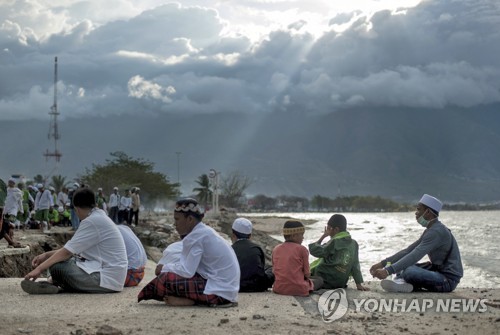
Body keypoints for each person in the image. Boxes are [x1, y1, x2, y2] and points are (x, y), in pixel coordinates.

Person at [21, 187, 128, 294]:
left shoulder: (91, 221)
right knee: (58, 260)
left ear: (77, 209)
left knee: (56, 266)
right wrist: (46, 255)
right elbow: (72, 251)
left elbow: (67, 252)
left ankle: (56, 283)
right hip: (110, 277)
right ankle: (53, 283)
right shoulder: (98, 217)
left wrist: (39, 269)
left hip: (105, 279)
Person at [138, 198, 240, 307]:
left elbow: (187, 271)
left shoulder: (195, 237)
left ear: (190, 219)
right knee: (172, 274)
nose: (174, 224)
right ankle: (193, 300)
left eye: (177, 219)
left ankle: (194, 300)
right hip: (229, 291)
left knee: (166, 278)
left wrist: (163, 268)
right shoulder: (204, 232)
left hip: (219, 292)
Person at [370, 194, 463, 293]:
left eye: (419, 210)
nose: (416, 213)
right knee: (404, 267)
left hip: (447, 280)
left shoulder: (436, 232)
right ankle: (403, 283)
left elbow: (415, 255)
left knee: (409, 271)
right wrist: (382, 264)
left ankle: (403, 282)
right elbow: (408, 251)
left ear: (428, 212)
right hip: (436, 271)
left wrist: (387, 271)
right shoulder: (431, 230)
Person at [308, 214, 369, 291]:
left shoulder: (334, 242)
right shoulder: (354, 244)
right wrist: (358, 284)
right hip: (340, 283)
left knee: (304, 274)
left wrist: (323, 236)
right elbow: (355, 265)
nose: (328, 232)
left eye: (329, 229)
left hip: (325, 281)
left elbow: (315, 251)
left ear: (336, 229)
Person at [272, 220, 323, 296]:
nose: (303, 237)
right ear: (293, 236)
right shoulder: (302, 249)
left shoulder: (276, 249)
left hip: (279, 288)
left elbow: (274, 271)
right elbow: (307, 274)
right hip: (299, 289)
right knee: (319, 280)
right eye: (301, 235)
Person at [231, 218, 274, 292]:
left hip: (236, 285)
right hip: (256, 286)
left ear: (233, 235)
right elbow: (261, 268)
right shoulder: (256, 248)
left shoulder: (230, 249)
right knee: (272, 269)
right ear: (250, 235)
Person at [0, 178, 23, 248]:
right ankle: (11, 242)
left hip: (13, 210)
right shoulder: (6, 190)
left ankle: (11, 241)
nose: (10, 183)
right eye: (9, 182)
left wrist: (21, 210)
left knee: (10, 226)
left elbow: (20, 201)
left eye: (11, 182)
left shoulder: (17, 191)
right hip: (5, 210)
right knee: (5, 226)